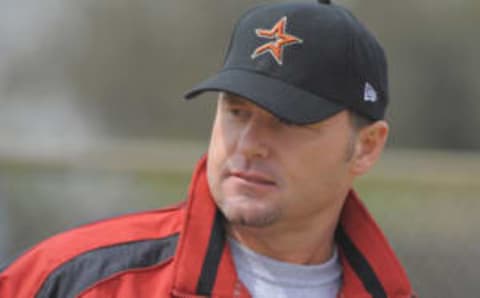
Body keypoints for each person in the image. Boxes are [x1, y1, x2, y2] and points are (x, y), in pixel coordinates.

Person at [0, 1, 415, 297]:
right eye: (236, 112)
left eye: (288, 120)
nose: (249, 144)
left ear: (366, 147)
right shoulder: (74, 280)